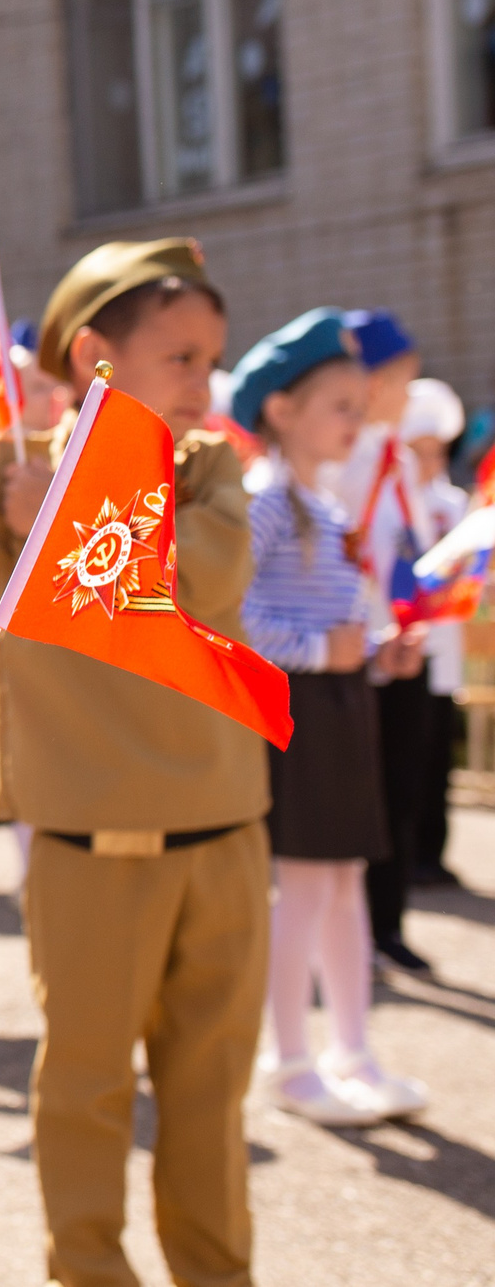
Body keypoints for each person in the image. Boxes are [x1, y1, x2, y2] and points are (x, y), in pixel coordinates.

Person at [0, 239, 264, 1287]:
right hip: (95, 850)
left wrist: (69, 511)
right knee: (85, 1086)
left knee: (209, 1094)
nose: (202, 384)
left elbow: (211, 570)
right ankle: (87, 1273)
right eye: (180, 357)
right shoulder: (14, 468)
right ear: (95, 353)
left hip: (229, 835)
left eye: (210, 360)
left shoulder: (205, 464)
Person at [228, 309, 426, 1125]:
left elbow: (334, 629)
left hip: (341, 709)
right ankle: (293, 1056)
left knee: (345, 883)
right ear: (281, 409)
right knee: (306, 889)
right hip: (298, 712)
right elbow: (230, 622)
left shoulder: (328, 507)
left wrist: (380, 652)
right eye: (340, 404)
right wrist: (326, 652)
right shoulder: (268, 504)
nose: (358, 419)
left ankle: (352, 1049)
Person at [318, 310, 436, 972]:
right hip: (352, 649)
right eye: (399, 376)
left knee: (402, 784)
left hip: (400, 640)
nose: (406, 389)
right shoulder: (349, 453)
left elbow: (405, 546)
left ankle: (385, 923)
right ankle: (356, 930)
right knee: (360, 799)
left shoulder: (397, 455)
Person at [402, 378, 471, 890]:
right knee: (413, 753)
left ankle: (435, 850)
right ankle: (413, 857)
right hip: (411, 641)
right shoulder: (400, 499)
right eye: (418, 450)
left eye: (437, 449)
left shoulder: (454, 502)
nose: (430, 460)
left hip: (447, 639)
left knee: (439, 749)